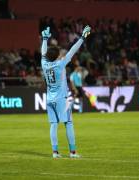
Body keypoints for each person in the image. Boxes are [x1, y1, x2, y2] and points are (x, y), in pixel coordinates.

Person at [41, 25, 91, 158]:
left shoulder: (44, 64)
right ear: (57, 56)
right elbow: (72, 51)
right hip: (61, 99)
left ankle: (55, 152)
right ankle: (73, 152)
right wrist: (82, 37)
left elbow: (43, 52)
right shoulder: (60, 64)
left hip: (50, 99)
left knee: (53, 125)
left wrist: (45, 38)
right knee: (68, 123)